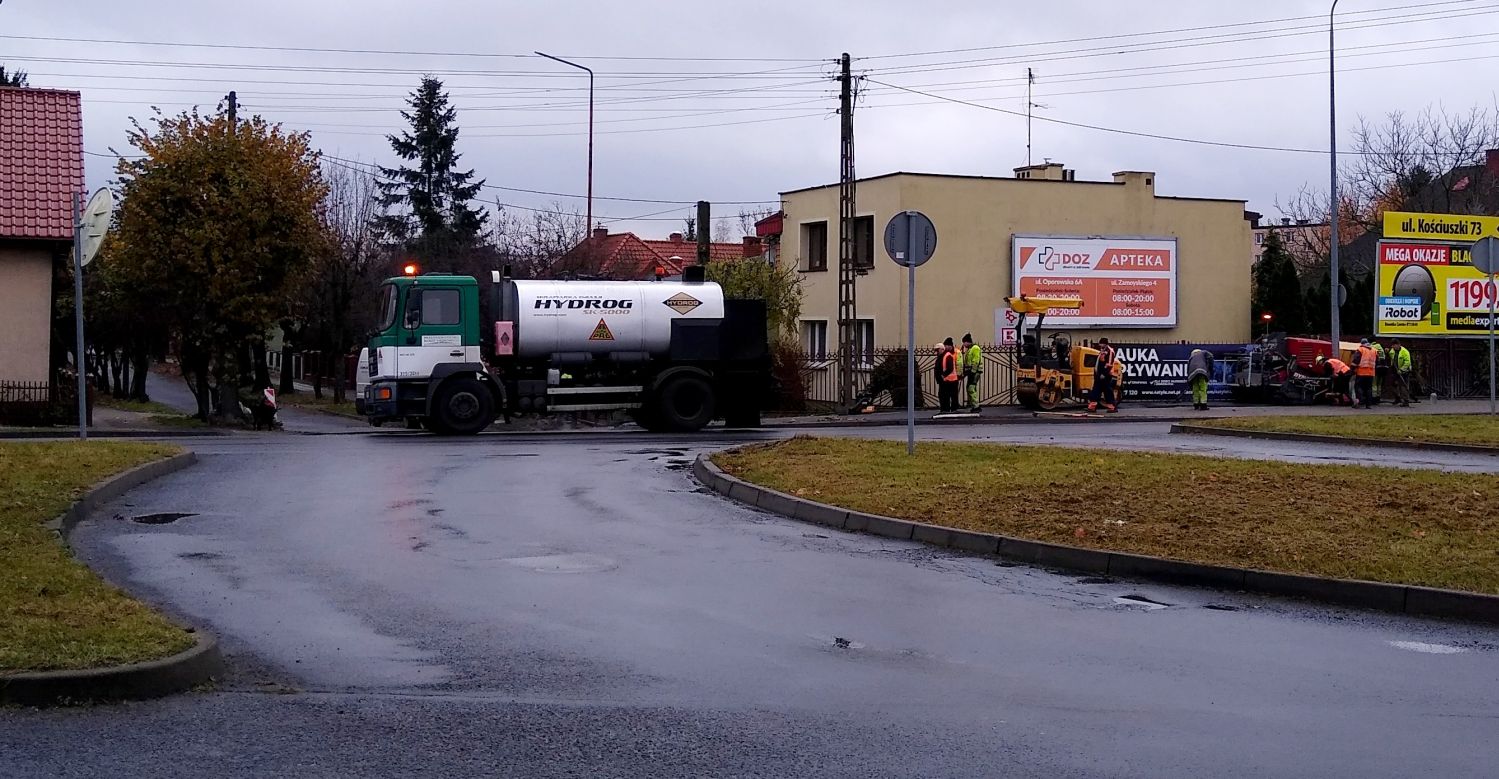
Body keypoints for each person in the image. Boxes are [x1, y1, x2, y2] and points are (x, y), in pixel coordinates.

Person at [1087, 337, 1118, 413]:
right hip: (1099, 375)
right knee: (1096, 390)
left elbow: (1109, 364)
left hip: (1105, 375)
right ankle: (1092, 406)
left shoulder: (1110, 351)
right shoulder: (1102, 351)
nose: (1100, 345)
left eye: (1101, 343)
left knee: (1107, 391)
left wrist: (1104, 374)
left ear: (1105, 344)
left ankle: (1112, 407)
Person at [960, 333, 983, 413]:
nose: (963, 344)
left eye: (964, 342)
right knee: (970, 388)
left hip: (975, 372)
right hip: (971, 372)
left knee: (971, 388)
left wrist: (972, 372)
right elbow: (968, 363)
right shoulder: (970, 349)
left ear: (967, 342)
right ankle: (973, 405)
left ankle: (976, 406)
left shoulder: (975, 348)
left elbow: (975, 361)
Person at [938, 338, 962, 412]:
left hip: (954, 376)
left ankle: (954, 408)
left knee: (953, 394)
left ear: (949, 345)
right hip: (948, 377)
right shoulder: (946, 354)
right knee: (949, 394)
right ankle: (951, 408)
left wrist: (959, 374)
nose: (944, 347)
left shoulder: (956, 352)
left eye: (945, 345)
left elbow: (959, 364)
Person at [1388, 338, 1413, 407]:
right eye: (1392, 346)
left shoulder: (1405, 352)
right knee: (1392, 384)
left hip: (1404, 371)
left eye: (1394, 345)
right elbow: (1391, 356)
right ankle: (1397, 397)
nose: (1393, 347)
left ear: (1398, 345)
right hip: (1395, 370)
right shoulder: (1392, 351)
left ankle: (1406, 401)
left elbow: (1407, 362)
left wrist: (1401, 370)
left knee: (1403, 386)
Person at [1353, 338, 1377, 409]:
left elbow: (1356, 360)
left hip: (1361, 372)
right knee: (1369, 388)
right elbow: (1377, 361)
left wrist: (1352, 369)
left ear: (1361, 344)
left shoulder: (1361, 350)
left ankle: (1359, 401)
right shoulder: (1374, 350)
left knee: (1358, 387)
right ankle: (1368, 404)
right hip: (1371, 373)